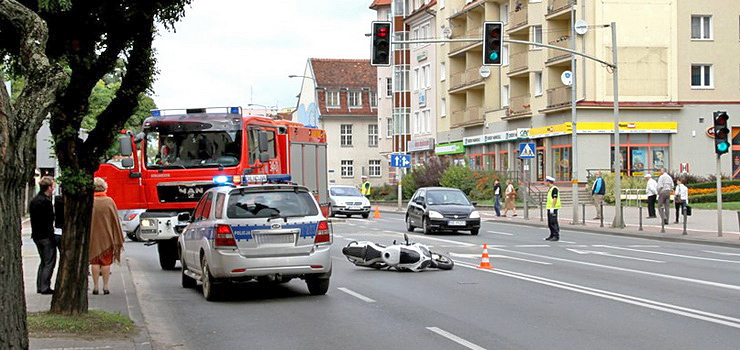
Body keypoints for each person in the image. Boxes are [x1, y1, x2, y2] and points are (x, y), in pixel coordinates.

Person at [89, 177, 125, 295]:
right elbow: (115, 220)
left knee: (94, 262)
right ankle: (105, 286)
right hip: (107, 237)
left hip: (93, 237)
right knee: (105, 263)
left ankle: (95, 287)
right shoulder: (109, 201)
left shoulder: (90, 201)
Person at [29, 176, 56, 295]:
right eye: (52, 187)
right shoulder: (46, 202)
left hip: (36, 235)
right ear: (49, 188)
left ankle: (40, 285)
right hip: (46, 236)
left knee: (43, 261)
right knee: (49, 261)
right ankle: (45, 286)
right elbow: (50, 220)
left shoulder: (34, 200)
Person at [544, 176, 561, 241]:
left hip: (553, 208)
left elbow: (555, 198)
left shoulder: (554, 189)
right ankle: (552, 235)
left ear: (549, 182)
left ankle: (556, 236)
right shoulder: (550, 188)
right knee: (550, 223)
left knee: (553, 222)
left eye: (546, 181)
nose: (545, 183)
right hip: (550, 207)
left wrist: (553, 207)